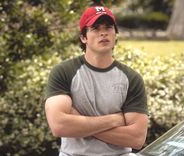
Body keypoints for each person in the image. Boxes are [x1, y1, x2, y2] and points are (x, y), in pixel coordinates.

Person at [44, 5, 149, 156]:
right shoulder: (64, 72)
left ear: (115, 34)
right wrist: (114, 120)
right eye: (95, 28)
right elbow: (59, 126)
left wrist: (79, 122)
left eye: (108, 27)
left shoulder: (131, 78)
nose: (103, 33)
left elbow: (137, 138)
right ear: (83, 37)